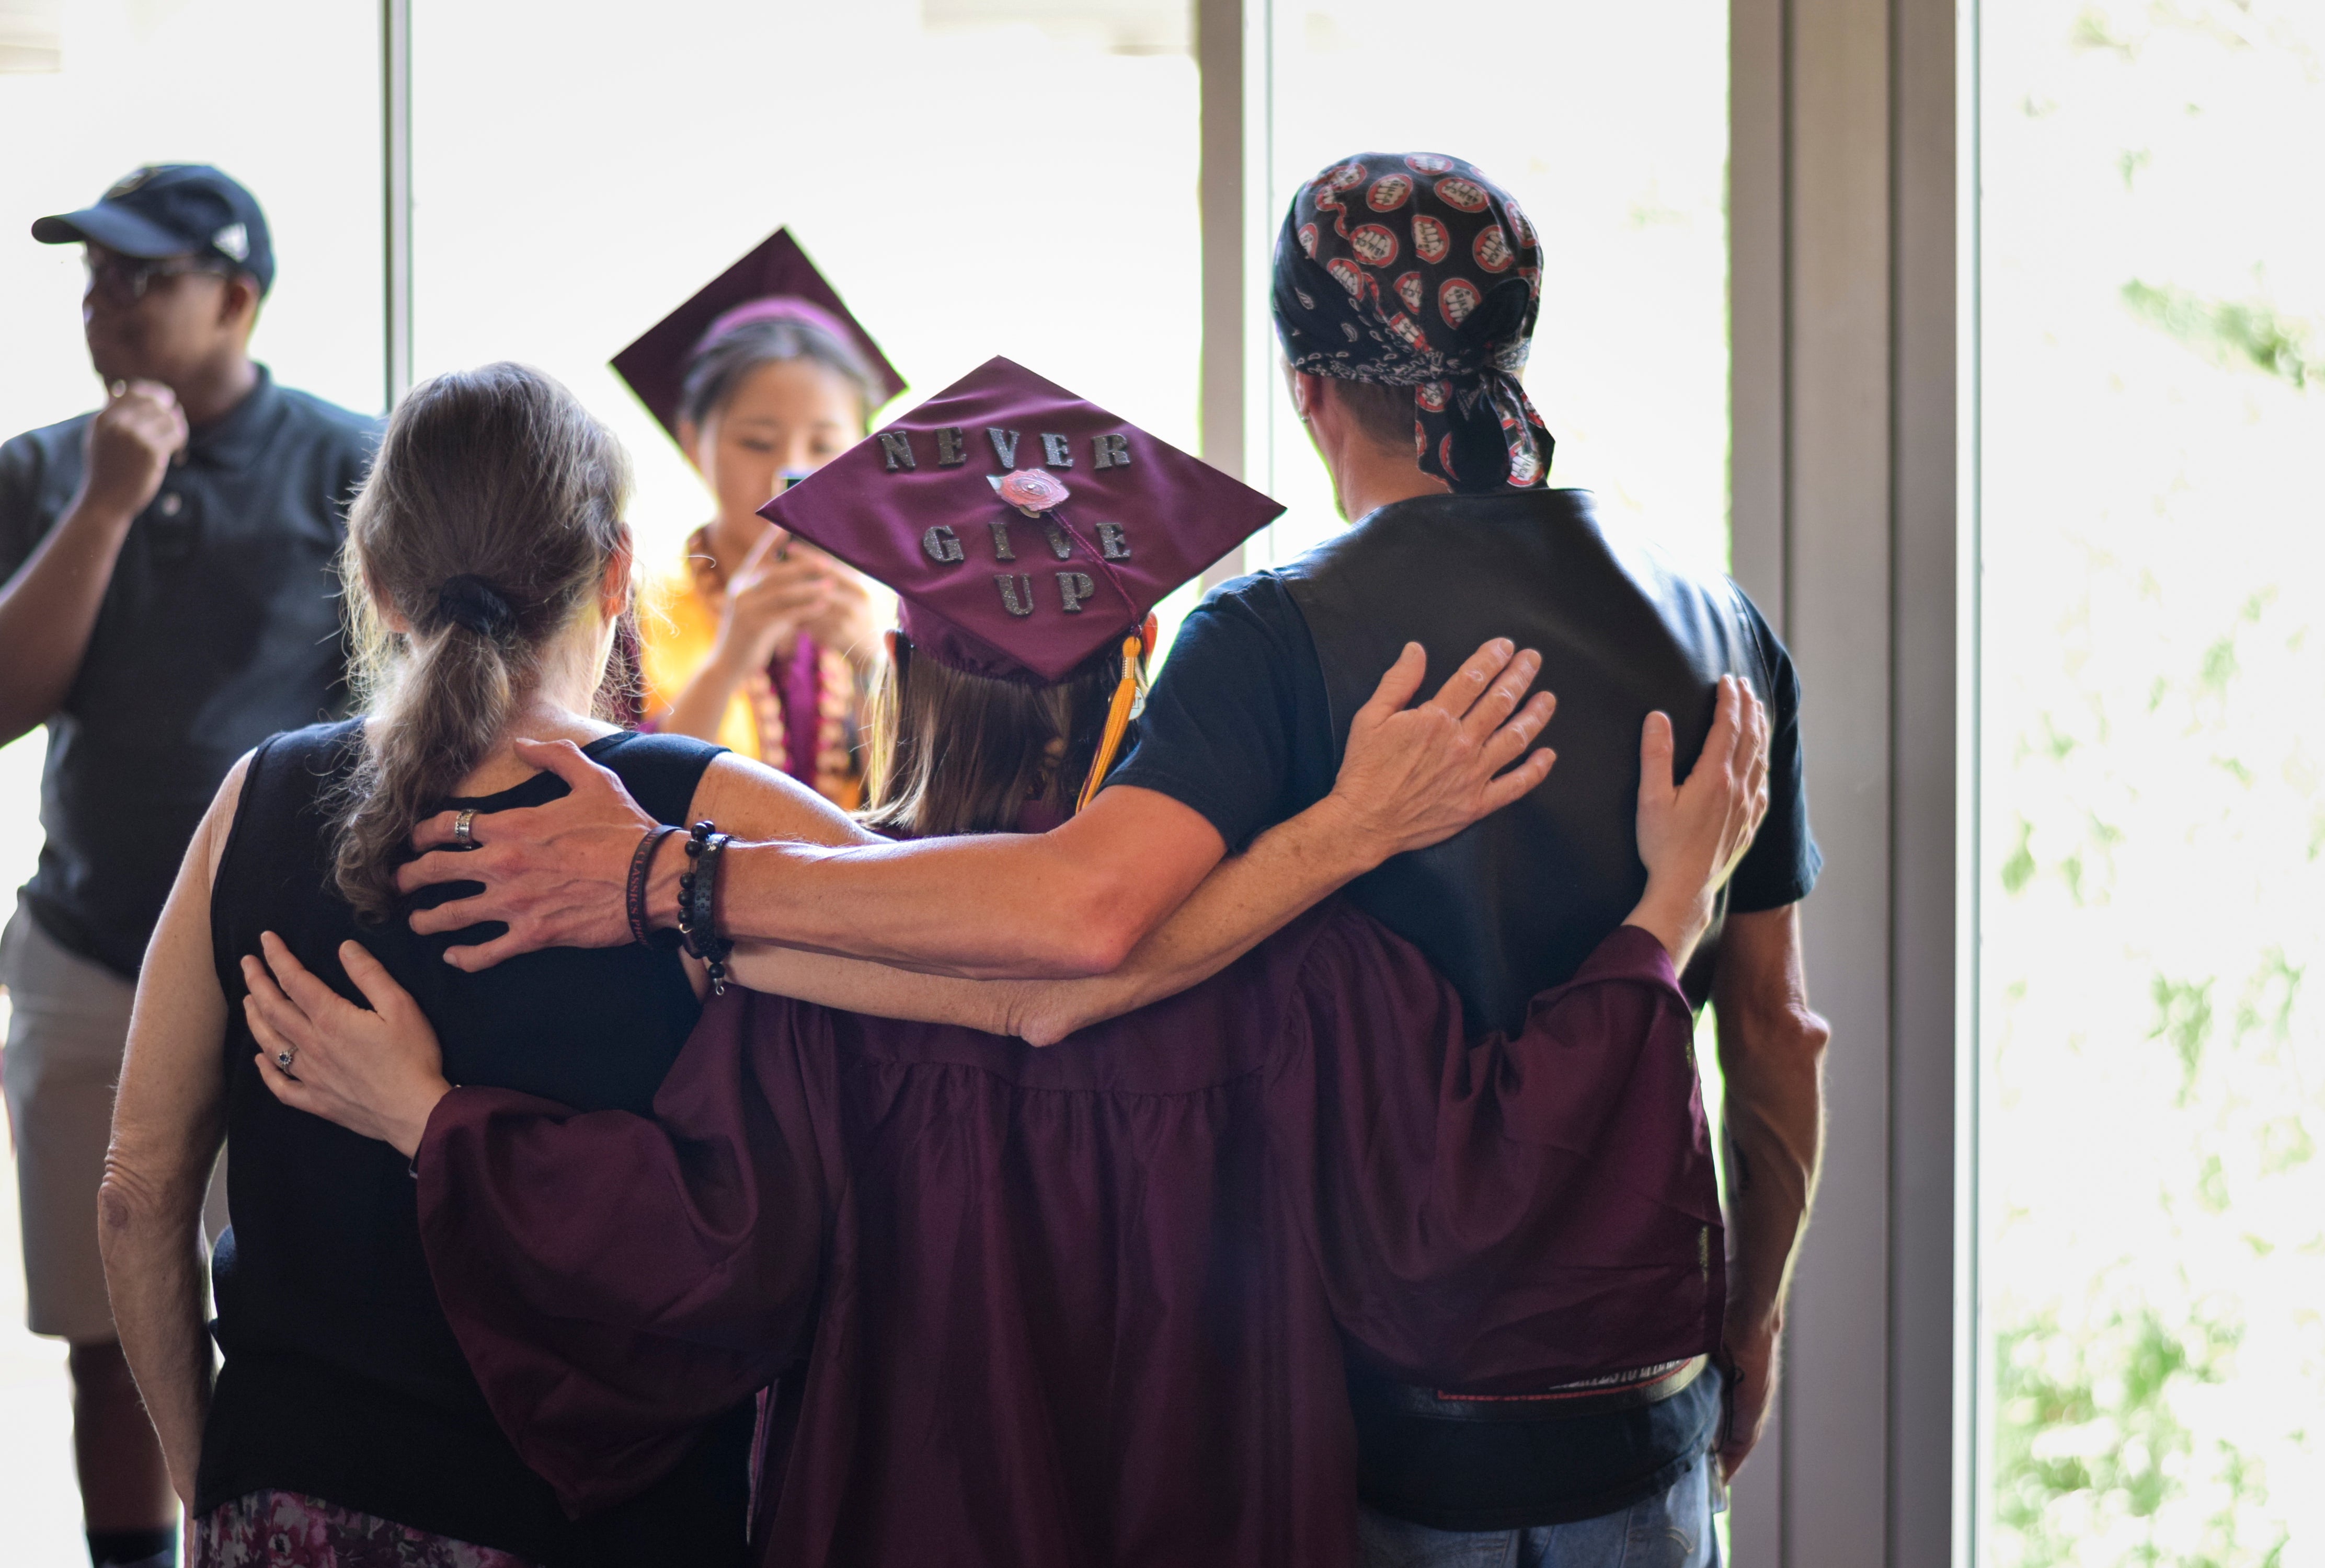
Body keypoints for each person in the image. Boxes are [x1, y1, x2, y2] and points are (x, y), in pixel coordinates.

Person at [396, 159, 1828, 1561]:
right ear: (1138, 655)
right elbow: (1747, 1046)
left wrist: (463, 1098)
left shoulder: (841, 962)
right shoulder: (1315, 929)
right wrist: (1738, 1290)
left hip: (987, 1496)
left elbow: (712, 1253)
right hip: (1377, 1460)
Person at [96, 358, 1572, 1566]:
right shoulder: (788, 867)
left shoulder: (280, 805)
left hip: (810, 1500)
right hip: (1147, 1500)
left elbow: (139, 1190)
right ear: (619, 574)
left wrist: (224, 1482)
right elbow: (1049, 992)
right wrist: (1358, 840)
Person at [0, 163, 379, 1568]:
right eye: (95, 276)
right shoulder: (47, 467)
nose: (108, 304)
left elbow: (397, 718)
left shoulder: (353, 463)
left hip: (281, 964)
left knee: (282, 1301)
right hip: (87, 949)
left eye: (144, 277)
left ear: (237, 297)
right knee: (109, 1322)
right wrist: (106, 502)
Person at [615, 228, 903, 805]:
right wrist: (730, 658)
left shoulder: (896, 619)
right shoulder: (630, 614)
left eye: (823, 446)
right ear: (695, 442)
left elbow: (923, 815)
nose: (789, 475)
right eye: (756, 442)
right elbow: (622, 805)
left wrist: (875, 667)